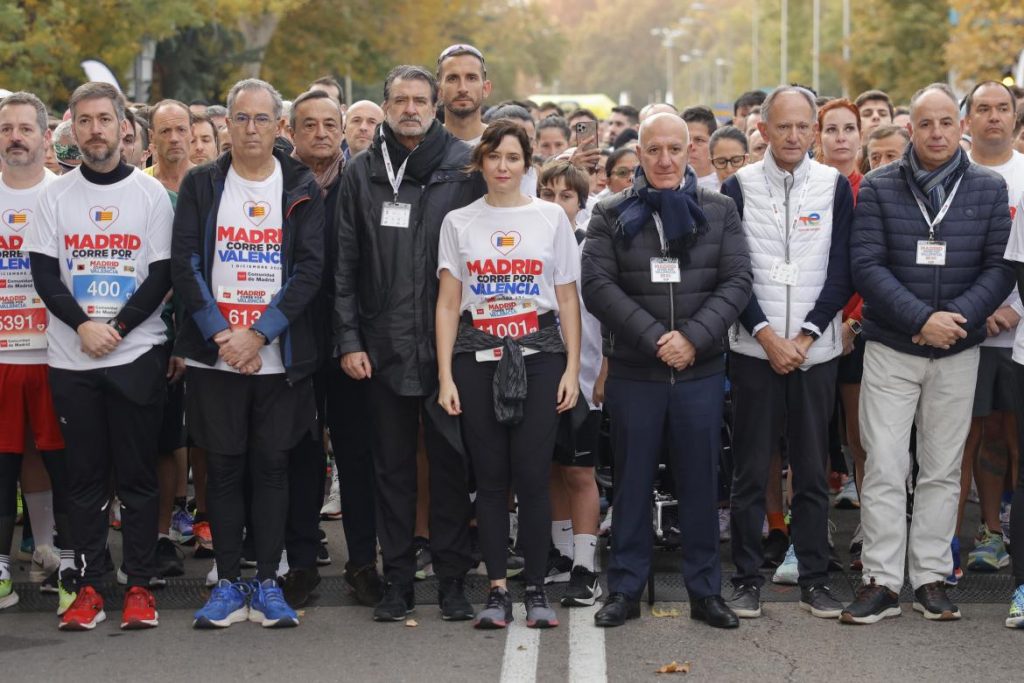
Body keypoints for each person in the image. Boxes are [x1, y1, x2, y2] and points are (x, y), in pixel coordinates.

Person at [843, 83, 1014, 625]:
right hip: (892, 347)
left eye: (946, 122)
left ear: (959, 126)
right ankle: (881, 581)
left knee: (942, 469)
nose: (937, 133)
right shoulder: (876, 186)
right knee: (887, 465)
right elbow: (866, 265)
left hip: (959, 348)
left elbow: (1001, 267)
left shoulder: (987, 188)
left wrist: (951, 322)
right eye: (926, 123)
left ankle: (932, 577)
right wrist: (921, 319)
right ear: (909, 127)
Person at [583, 113, 751, 629]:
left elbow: (738, 281)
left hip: (699, 372)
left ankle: (706, 592)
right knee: (630, 484)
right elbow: (598, 286)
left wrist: (693, 339)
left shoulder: (719, 209)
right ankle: (625, 589)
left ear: (688, 152)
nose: (663, 160)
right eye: (653, 149)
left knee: (701, 483)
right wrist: (657, 338)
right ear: (638, 150)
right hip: (637, 372)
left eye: (674, 150)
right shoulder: (610, 213)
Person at [172, 78, 324, 629]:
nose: (252, 128)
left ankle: (267, 582)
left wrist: (258, 334)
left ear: (278, 126)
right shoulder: (201, 183)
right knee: (225, 469)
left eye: (263, 119)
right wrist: (222, 335)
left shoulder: (301, 184)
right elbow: (186, 264)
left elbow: (309, 271)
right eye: (242, 118)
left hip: (278, 357)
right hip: (217, 356)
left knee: (273, 466)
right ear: (226, 125)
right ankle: (230, 581)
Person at [335, 65, 484, 623]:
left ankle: (452, 580)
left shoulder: (462, 166)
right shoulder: (363, 171)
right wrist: (349, 339)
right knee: (391, 470)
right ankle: (396, 579)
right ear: (385, 105)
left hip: (450, 349)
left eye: (421, 99)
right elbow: (344, 263)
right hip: (382, 345)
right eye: (400, 99)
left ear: (436, 102)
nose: (411, 108)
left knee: (450, 467)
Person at [25, 82, 174, 631]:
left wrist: (118, 328)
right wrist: (85, 326)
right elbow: (44, 272)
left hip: (135, 353)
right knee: (83, 482)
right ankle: (89, 587)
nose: (94, 130)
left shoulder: (149, 194)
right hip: (72, 357)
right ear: (74, 128)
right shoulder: (54, 196)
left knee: (136, 478)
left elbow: (162, 272)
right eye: (84, 121)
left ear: (122, 127)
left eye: (104, 120)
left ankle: (139, 586)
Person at [435, 120, 581, 629]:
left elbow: (566, 297)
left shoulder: (550, 219)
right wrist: (445, 376)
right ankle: (497, 590)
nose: (502, 167)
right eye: (494, 157)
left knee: (534, 478)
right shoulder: (458, 222)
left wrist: (571, 368)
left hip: (540, 359)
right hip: (476, 360)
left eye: (513, 158)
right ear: (481, 163)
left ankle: (536, 588)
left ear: (527, 164)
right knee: (492, 482)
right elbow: (449, 303)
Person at [722, 86, 854, 621]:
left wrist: (803, 337)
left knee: (811, 471)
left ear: (814, 132)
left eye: (804, 126)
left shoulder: (835, 186)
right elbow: (733, 271)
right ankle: (746, 578)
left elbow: (842, 269)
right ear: (765, 130)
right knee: (751, 471)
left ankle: (816, 579)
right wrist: (765, 335)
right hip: (755, 351)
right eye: (784, 127)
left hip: (814, 353)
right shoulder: (738, 187)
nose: (794, 136)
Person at [0, 91, 69, 612]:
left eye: (26, 128)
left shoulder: (64, 194)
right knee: (3, 460)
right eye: (7, 129)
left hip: (55, 352)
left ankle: (53, 551)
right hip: (3, 354)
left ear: (47, 138)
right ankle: (3, 563)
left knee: (56, 457)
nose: (15, 137)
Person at [956, 82, 1023, 580]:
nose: (994, 117)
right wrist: (978, 310)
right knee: (964, 438)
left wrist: (1015, 307)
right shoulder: (955, 174)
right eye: (983, 108)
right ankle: (963, 540)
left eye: (1003, 108)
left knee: (1010, 437)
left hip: (1017, 331)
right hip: (965, 329)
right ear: (968, 120)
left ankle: (1003, 534)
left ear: (1016, 118)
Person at [536, 160, 605, 606]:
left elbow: (608, 316)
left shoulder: (591, 249)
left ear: (581, 204)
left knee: (580, 470)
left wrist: (603, 372)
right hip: (539, 374)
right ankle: (561, 554)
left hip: (582, 376)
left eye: (566, 196)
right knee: (549, 468)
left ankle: (585, 564)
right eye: (548, 194)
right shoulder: (530, 245)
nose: (556, 204)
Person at [436, 44, 491, 146]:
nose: (462, 89)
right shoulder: (424, 146)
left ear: (485, 88)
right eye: (452, 78)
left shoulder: (500, 144)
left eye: (471, 78)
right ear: (439, 90)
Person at [681, 105, 719, 190]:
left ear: (713, 144)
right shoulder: (667, 186)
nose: (691, 147)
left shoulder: (726, 187)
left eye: (699, 140)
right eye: (686, 140)